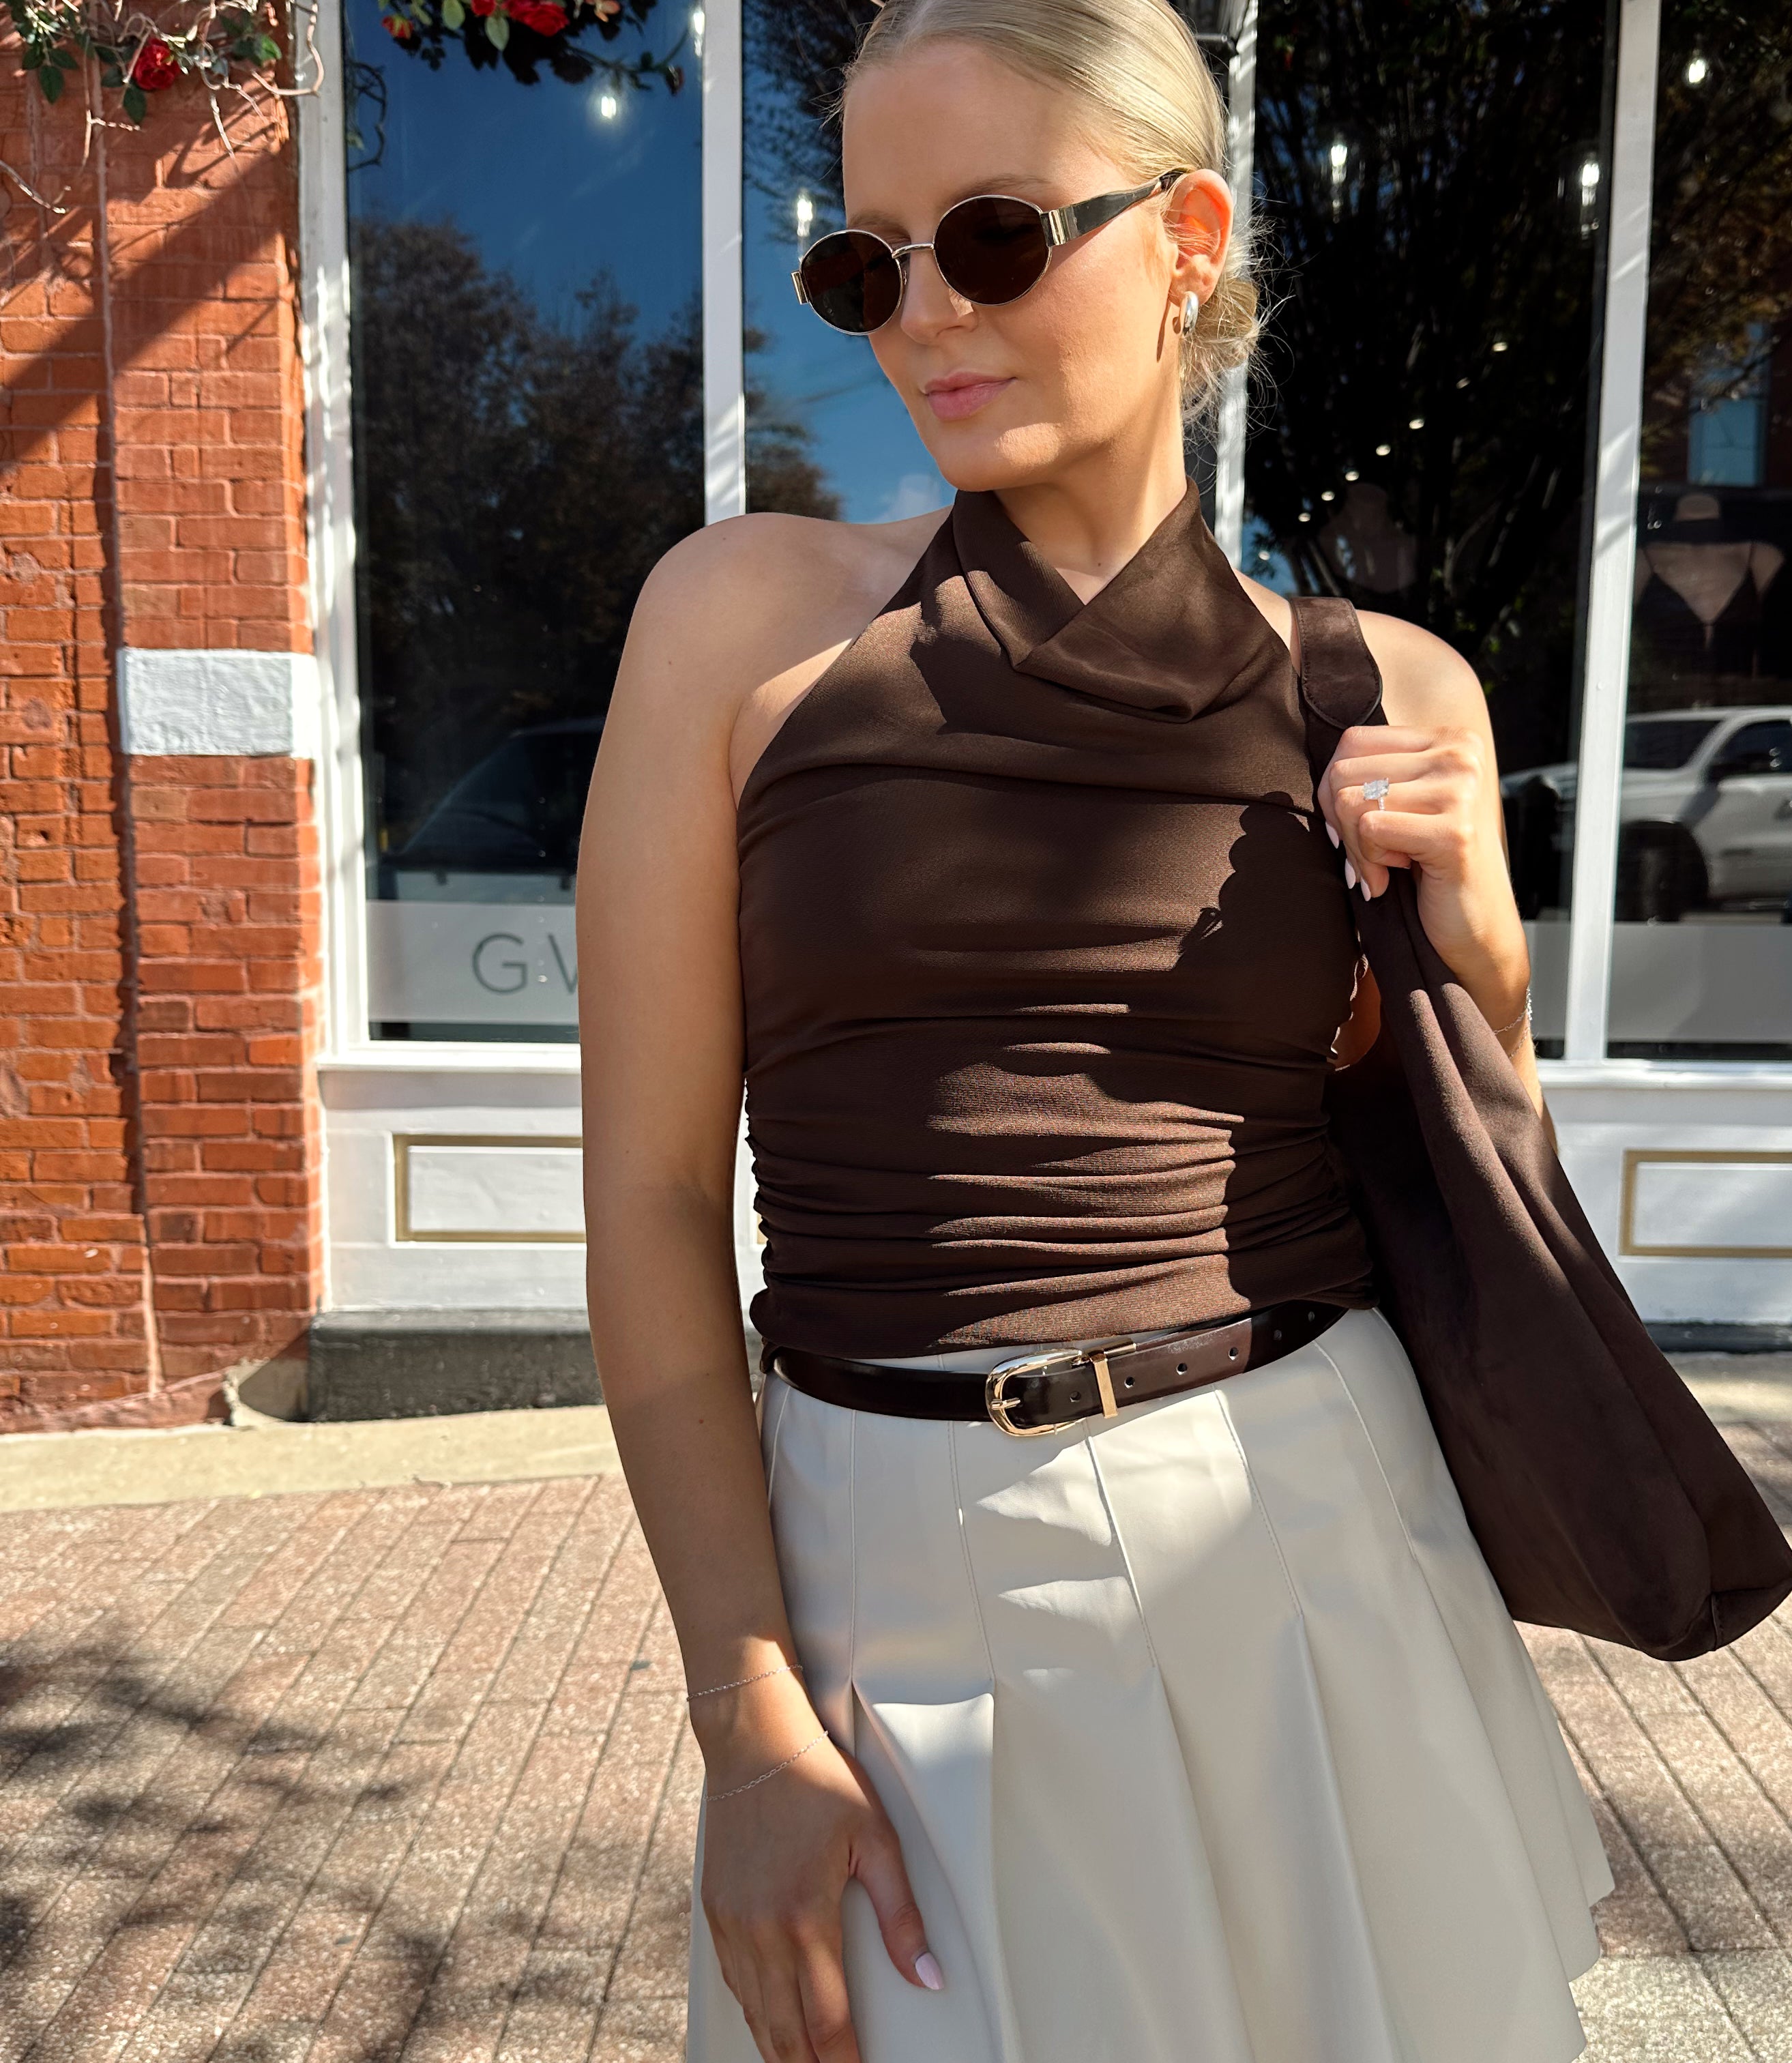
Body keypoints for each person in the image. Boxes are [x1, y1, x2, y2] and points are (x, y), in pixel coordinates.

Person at [576, 3, 1615, 2060]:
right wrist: (747, 1713)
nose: (917, 317)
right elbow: (657, 1200)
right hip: (883, 1565)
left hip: (1308, 1540)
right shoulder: (743, 626)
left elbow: (1450, 1159)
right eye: (862, 264)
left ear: (1191, 234)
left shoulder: (1387, 687)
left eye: (989, 235)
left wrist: (1480, 943)